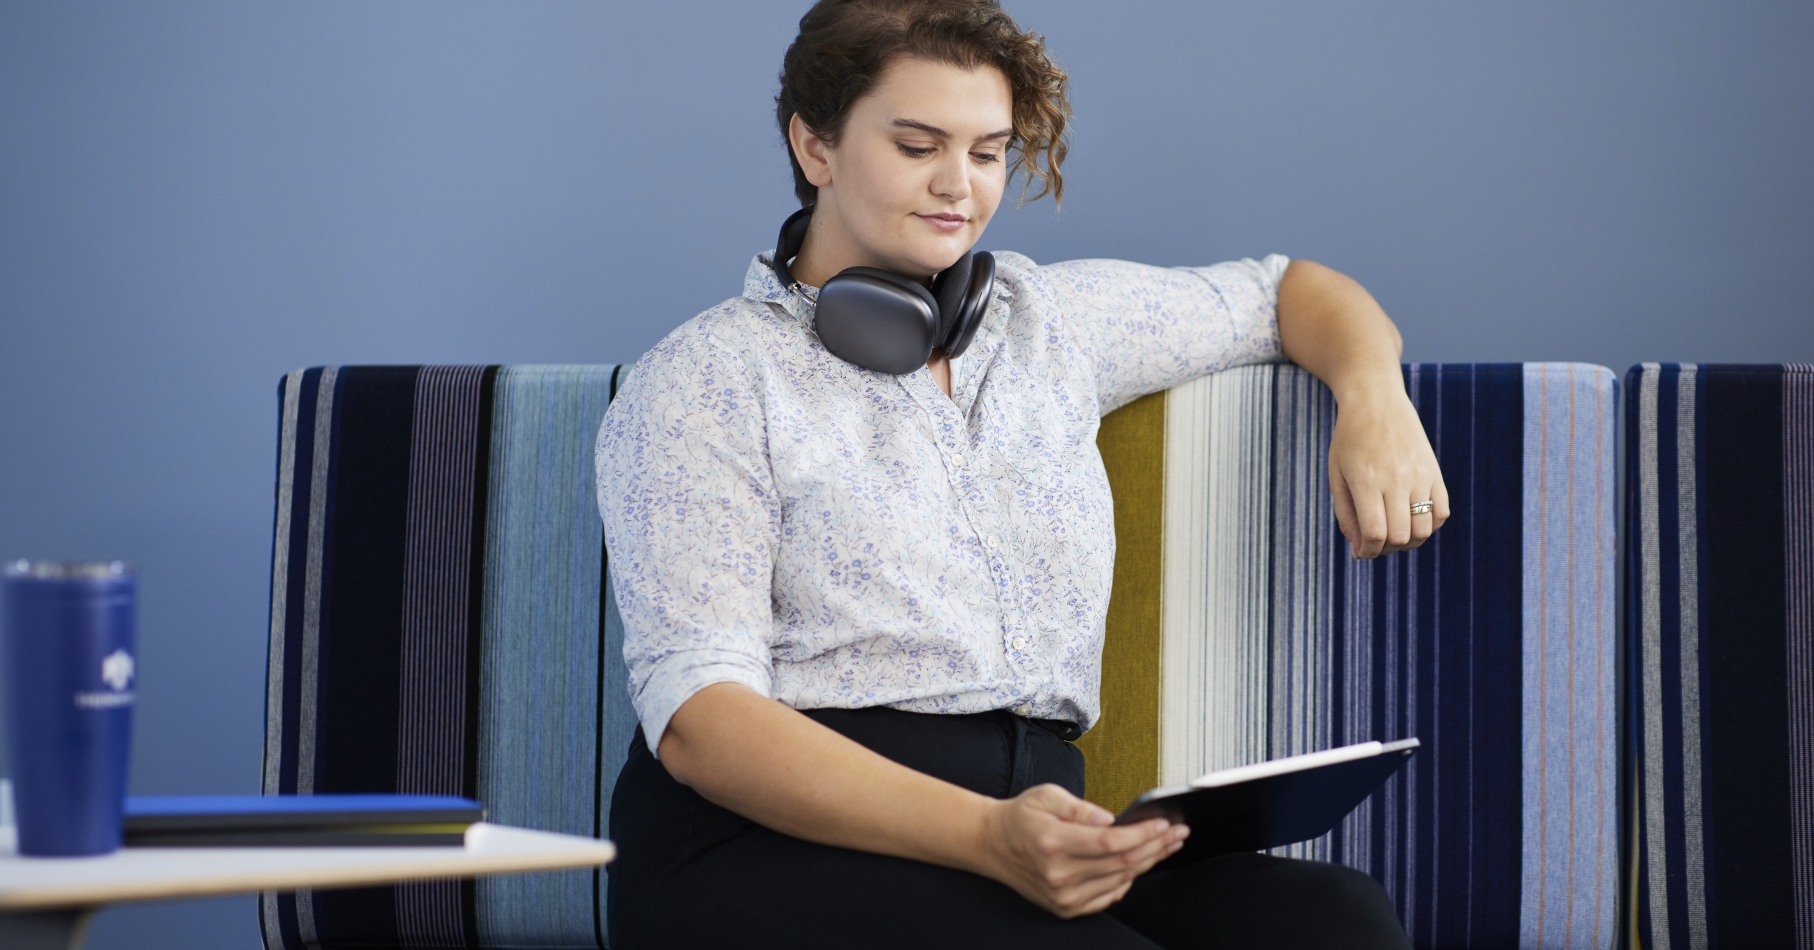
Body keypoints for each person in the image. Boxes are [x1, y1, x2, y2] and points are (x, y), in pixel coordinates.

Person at [595, 1, 1449, 946]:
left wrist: (1377, 399)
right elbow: (700, 721)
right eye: (918, 145)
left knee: (1334, 922)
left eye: (988, 151)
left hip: (1029, 826)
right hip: (765, 844)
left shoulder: (1051, 324)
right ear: (815, 146)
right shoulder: (706, 375)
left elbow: (1287, 291)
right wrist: (987, 835)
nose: (958, 186)